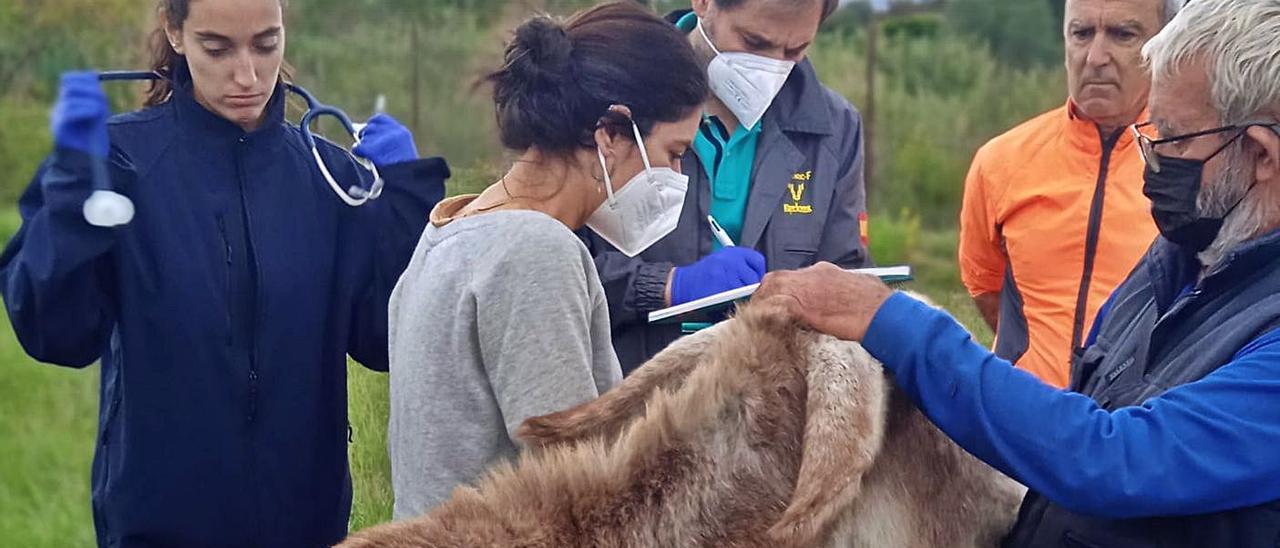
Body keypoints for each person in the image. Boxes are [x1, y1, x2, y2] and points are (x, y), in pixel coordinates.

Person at [757, 2, 1280, 545]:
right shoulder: (1183, 256)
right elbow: (1077, 377)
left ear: (1261, 155)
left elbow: (1112, 459)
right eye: (1149, 134)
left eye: (1172, 140)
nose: (1151, 161)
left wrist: (891, 321)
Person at [0, 0, 448, 545]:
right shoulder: (119, 165)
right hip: (158, 525)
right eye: (218, 47)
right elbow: (56, 335)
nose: (248, 75)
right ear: (175, 31)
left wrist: (405, 200)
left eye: (266, 43)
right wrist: (72, 193)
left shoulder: (331, 180)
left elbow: (381, 340)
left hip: (307, 524)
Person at [385, 1, 707, 518]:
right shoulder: (535, 252)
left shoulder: (451, 227)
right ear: (611, 132)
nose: (676, 176)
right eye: (673, 152)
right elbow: (579, 488)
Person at [584, 0, 871, 375]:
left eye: (795, 50)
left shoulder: (834, 129)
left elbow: (847, 273)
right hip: (633, 398)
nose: (773, 68)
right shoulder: (606, 90)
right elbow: (553, 269)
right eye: (754, 43)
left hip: (769, 402)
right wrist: (668, 286)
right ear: (703, 3)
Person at [958, 0, 1182, 388]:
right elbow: (986, 287)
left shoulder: (1194, 163)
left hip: (1138, 427)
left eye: (1122, 34)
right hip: (1019, 422)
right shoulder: (1000, 162)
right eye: (1081, 34)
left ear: (1164, 45)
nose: (1095, 57)